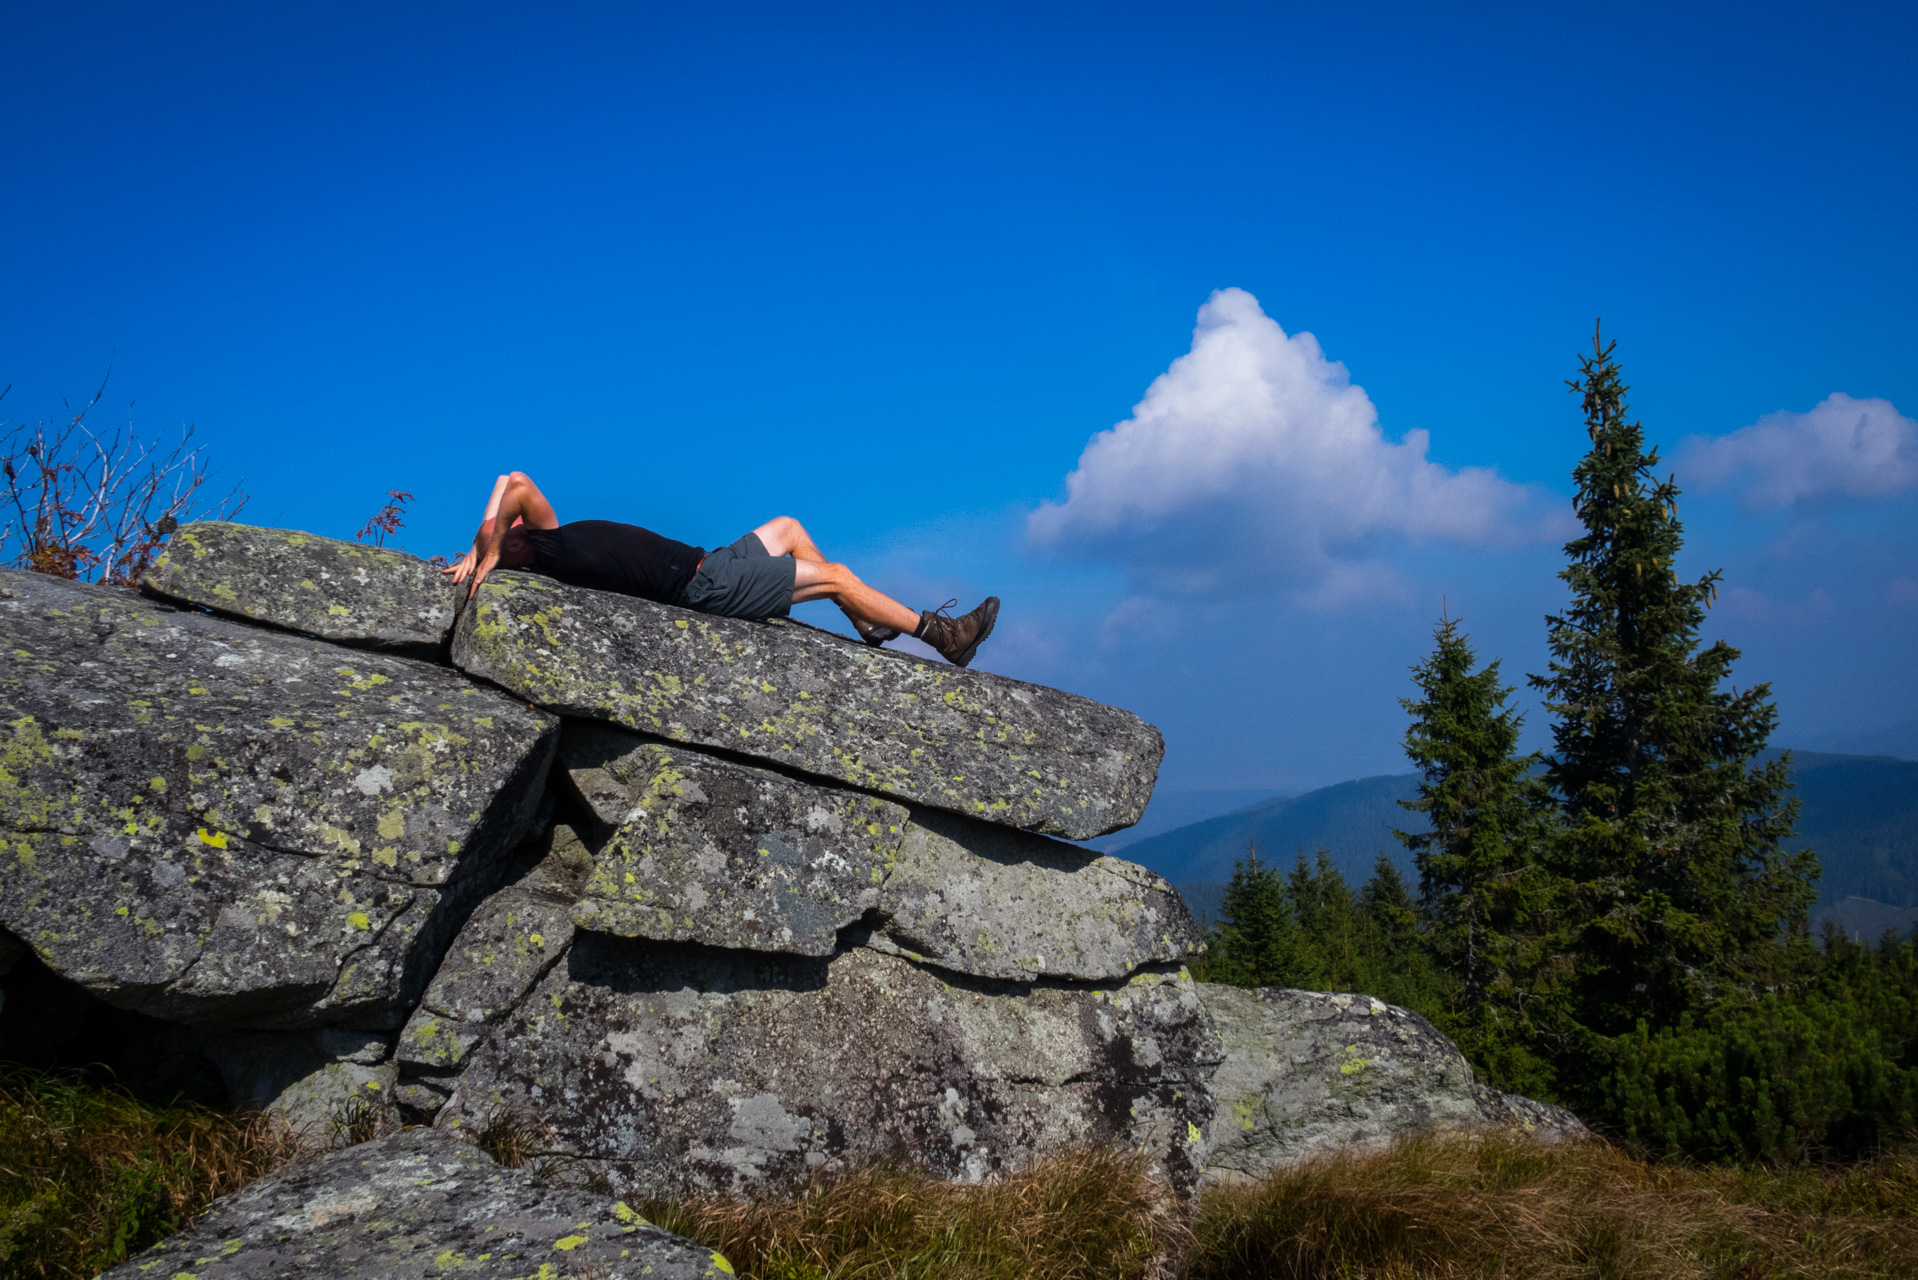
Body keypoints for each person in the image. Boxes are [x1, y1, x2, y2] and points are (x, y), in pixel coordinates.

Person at [443, 471, 999, 668]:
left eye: (509, 529)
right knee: (839, 575)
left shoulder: (546, 536)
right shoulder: (549, 555)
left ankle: (863, 621)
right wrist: (487, 556)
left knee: (788, 526)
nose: (513, 528)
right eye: (507, 535)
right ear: (514, 553)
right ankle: (941, 635)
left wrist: (479, 547)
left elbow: (507, 477)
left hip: (712, 559)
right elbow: (514, 490)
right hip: (706, 587)